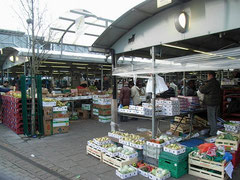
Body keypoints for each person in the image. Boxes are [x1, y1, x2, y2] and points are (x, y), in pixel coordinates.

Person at [199, 71, 221, 136]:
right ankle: (214, 131)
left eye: (208, 76)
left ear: (211, 75)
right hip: (216, 102)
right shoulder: (217, 82)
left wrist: (202, 85)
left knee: (212, 118)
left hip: (211, 103)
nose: (207, 77)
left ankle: (213, 133)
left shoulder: (211, 83)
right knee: (215, 117)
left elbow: (202, 90)